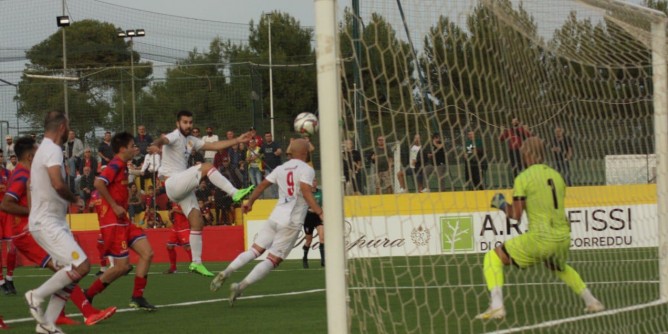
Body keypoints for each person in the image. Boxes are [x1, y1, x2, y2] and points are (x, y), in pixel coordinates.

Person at [476, 137, 604, 320]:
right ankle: (592, 301)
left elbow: (516, 216)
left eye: (522, 154)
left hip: (541, 238)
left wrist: (501, 203)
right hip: (562, 237)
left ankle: (497, 306)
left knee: (492, 257)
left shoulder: (524, 178)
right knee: (558, 267)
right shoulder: (557, 176)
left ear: (527, 154)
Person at [0, 136, 116, 326]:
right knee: (69, 268)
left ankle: (58, 314)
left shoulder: (27, 173)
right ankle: (86, 312)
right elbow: (6, 204)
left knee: (69, 268)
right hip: (27, 234)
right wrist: (34, 212)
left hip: (33, 231)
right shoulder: (22, 175)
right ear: (30, 156)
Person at [210, 138, 323, 306]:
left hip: (276, 216)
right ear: (305, 153)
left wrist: (250, 202)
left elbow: (262, 185)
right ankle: (240, 286)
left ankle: (226, 272)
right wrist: (320, 212)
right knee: (272, 260)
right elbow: (306, 191)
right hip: (291, 220)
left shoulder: (280, 168)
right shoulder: (307, 169)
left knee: (254, 251)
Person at [149, 110, 254, 277]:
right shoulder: (175, 136)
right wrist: (156, 144)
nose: (188, 125)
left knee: (197, 223)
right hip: (173, 183)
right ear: (178, 124)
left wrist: (237, 140)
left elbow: (214, 146)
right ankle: (234, 193)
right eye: (185, 122)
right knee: (206, 166)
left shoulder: (191, 140)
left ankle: (196, 263)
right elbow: (163, 139)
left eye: (190, 122)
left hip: (181, 188)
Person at [25, 111, 95, 333]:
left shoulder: (43, 149)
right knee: (81, 266)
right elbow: (57, 183)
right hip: (48, 223)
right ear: (63, 127)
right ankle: (36, 296)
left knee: (71, 271)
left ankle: (48, 325)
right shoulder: (53, 150)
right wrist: (75, 199)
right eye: (70, 125)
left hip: (50, 221)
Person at [84, 131, 157, 312]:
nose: (135, 148)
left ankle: (137, 297)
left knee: (147, 253)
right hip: (113, 222)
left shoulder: (123, 165)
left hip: (124, 221)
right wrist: (114, 206)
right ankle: (87, 294)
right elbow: (99, 183)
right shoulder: (115, 164)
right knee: (122, 267)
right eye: (132, 145)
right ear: (123, 149)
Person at [301, 178, 324, 268]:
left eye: (315, 181)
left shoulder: (321, 192)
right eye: (312, 181)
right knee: (308, 241)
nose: (313, 183)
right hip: (308, 217)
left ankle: (323, 261)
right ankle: (305, 258)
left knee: (322, 238)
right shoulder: (306, 194)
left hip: (318, 216)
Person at [0, 149, 14, 295]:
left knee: (12, 246)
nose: (0, 158)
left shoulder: (7, 173)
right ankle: (1, 281)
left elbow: (12, 189)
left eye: (1, 155)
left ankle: (10, 277)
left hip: (7, 212)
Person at [165, 202, 192, 274]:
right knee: (169, 246)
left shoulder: (184, 201)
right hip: (176, 227)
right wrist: (170, 215)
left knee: (187, 247)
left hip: (184, 227)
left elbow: (188, 212)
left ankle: (194, 267)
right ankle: (173, 268)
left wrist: (174, 210)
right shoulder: (174, 202)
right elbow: (174, 214)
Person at [260, 132, 283, 198]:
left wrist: (278, 152)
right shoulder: (263, 145)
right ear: (265, 137)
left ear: (271, 136)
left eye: (269, 136)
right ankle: (274, 197)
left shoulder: (275, 144)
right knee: (271, 183)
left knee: (277, 183)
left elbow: (280, 150)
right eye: (267, 136)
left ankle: (278, 197)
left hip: (275, 168)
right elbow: (258, 153)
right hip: (267, 168)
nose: (268, 137)